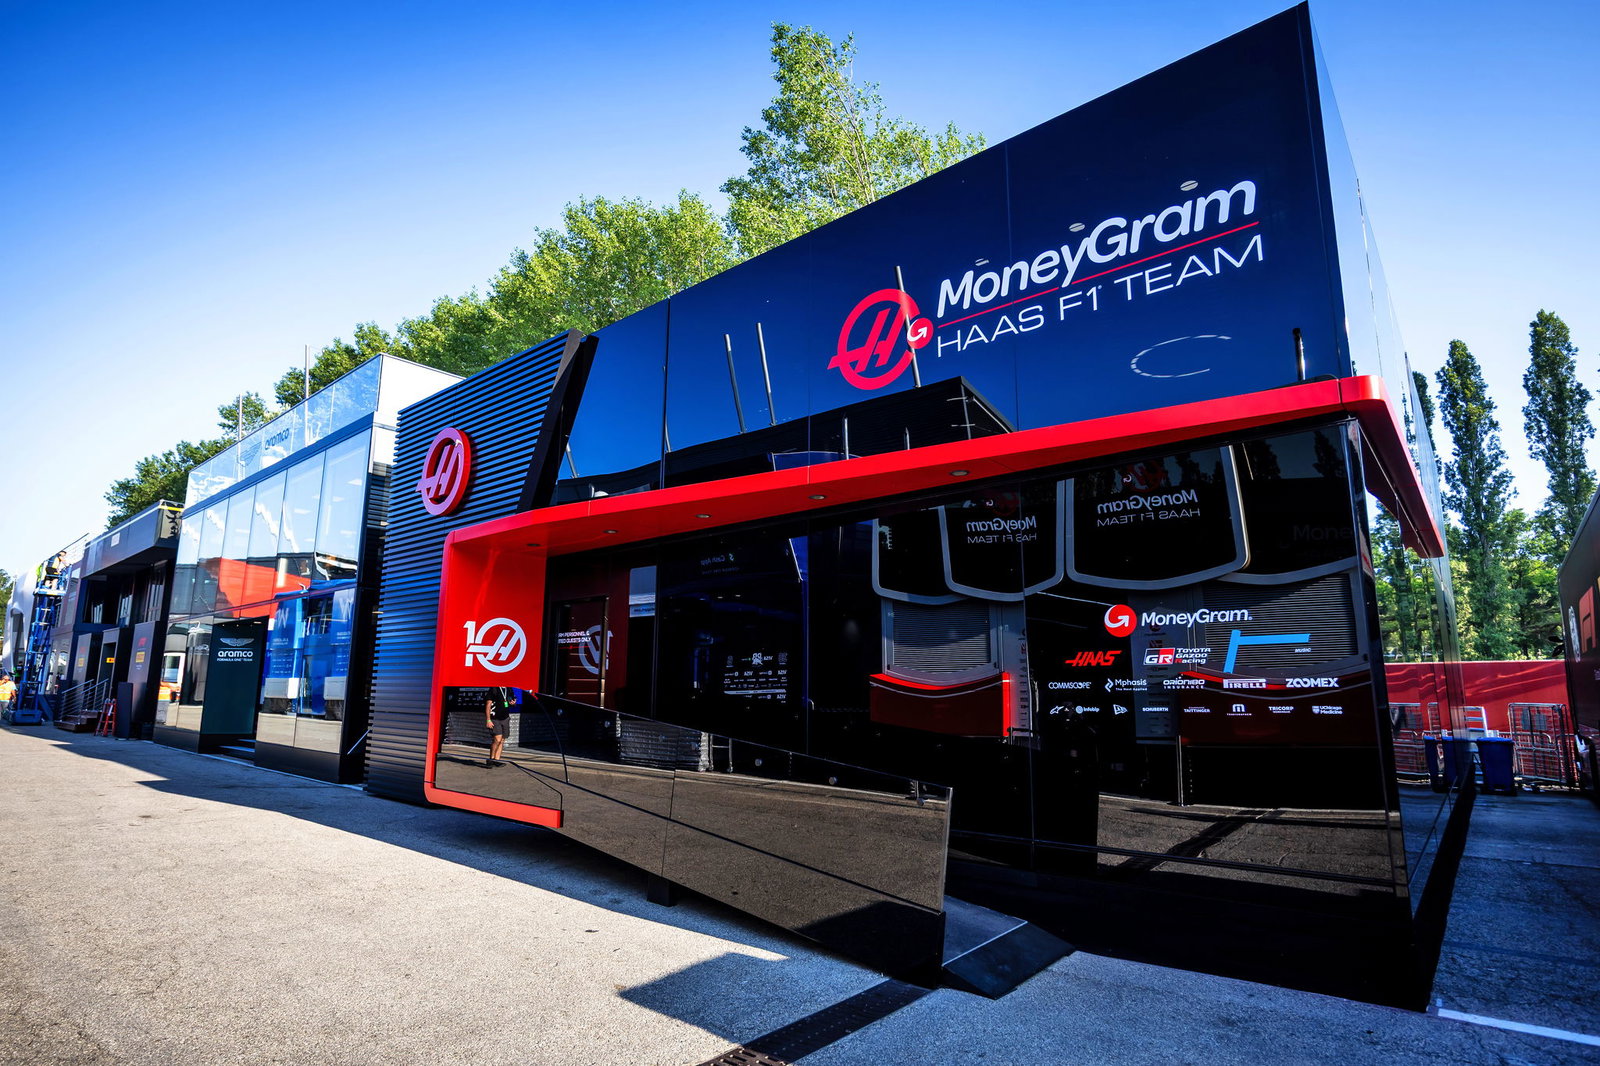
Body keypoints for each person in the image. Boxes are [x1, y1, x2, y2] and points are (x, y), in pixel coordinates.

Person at [484, 686, 514, 767]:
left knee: (502, 740)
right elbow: (488, 704)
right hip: (495, 718)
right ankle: (491, 759)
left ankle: (497, 760)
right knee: (497, 739)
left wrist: (513, 702)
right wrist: (488, 720)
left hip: (505, 718)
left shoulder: (509, 688)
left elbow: (512, 699)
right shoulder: (494, 689)